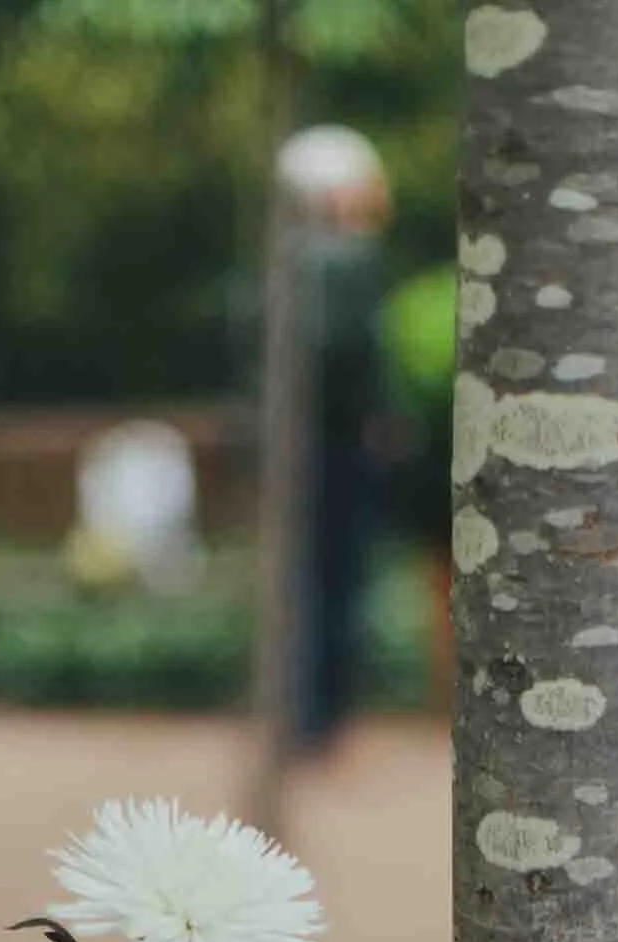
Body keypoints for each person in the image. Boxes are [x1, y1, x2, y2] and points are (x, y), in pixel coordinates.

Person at [275, 126, 392, 751]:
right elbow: (350, 356)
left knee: (303, 577)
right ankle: (319, 717)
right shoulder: (345, 262)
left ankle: (302, 712)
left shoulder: (285, 262)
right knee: (334, 579)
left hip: (294, 445)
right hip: (335, 446)